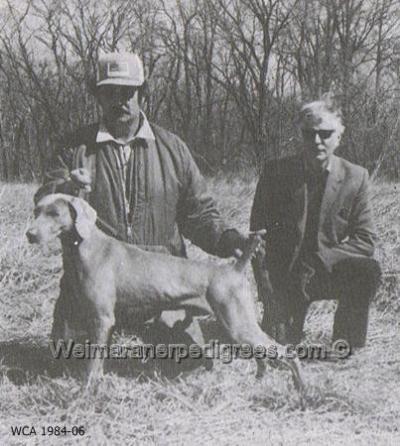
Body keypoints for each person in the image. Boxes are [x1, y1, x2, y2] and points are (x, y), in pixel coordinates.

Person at [35, 52, 247, 372]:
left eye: (128, 92)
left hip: (162, 290)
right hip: (91, 289)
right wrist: (67, 185)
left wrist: (227, 238)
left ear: (142, 93)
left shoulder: (172, 148)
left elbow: (198, 213)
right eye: (110, 92)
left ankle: (167, 334)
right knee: (66, 366)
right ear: (98, 96)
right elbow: (44, 203)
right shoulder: (74, 149)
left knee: (187, 368)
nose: (120, 101)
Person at [250, 96, 381, 350]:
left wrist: (320, 259)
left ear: (339, 137)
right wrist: (269, 298)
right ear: (299, 135)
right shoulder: (275, 173)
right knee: (281, 344)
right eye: (309, 134)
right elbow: (257, 241)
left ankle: (346, 345)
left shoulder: (356, 177)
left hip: (324, 270)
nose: (317, 141)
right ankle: (286, 319)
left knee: (367, 270)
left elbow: (366, 240)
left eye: (325, 133)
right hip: (286, 277)